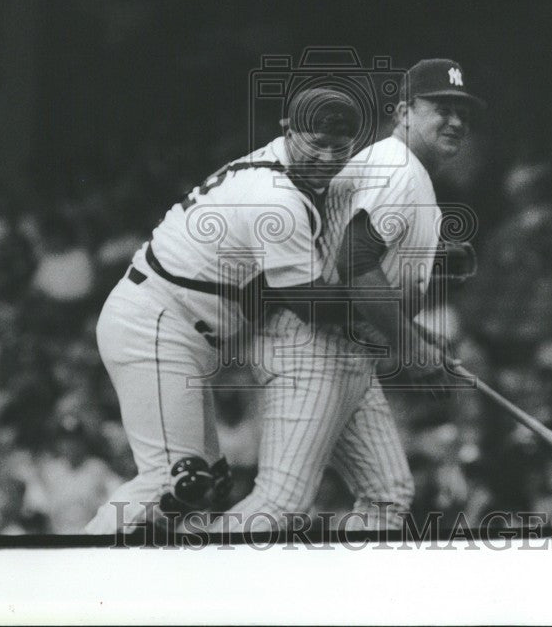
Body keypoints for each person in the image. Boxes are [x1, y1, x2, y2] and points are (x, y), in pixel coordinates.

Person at [219, 58, 484, 533]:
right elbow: (355, 266)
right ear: (404, 110)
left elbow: (355, 257)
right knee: (281, 502)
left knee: (388, 494)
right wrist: (411, 347)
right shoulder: (399, 169)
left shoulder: (394, 165)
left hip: (337, 345)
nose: (456, 120)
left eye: (463, 111)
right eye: (441, 107)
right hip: (311, 346)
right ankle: (193, 592)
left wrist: (429, 279)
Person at [85, 88, 362, 534]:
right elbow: (314, 307)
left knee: (210, 486)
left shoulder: (284, 176)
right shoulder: (277, 198)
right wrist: (394, 306)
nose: (328, 155)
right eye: (317, 141)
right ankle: (70, 571)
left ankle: (175, 592)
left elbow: (259, 297)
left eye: (339, 145)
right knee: (171, 483)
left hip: (179, 326)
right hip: (157, 322)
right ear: (288, 132)